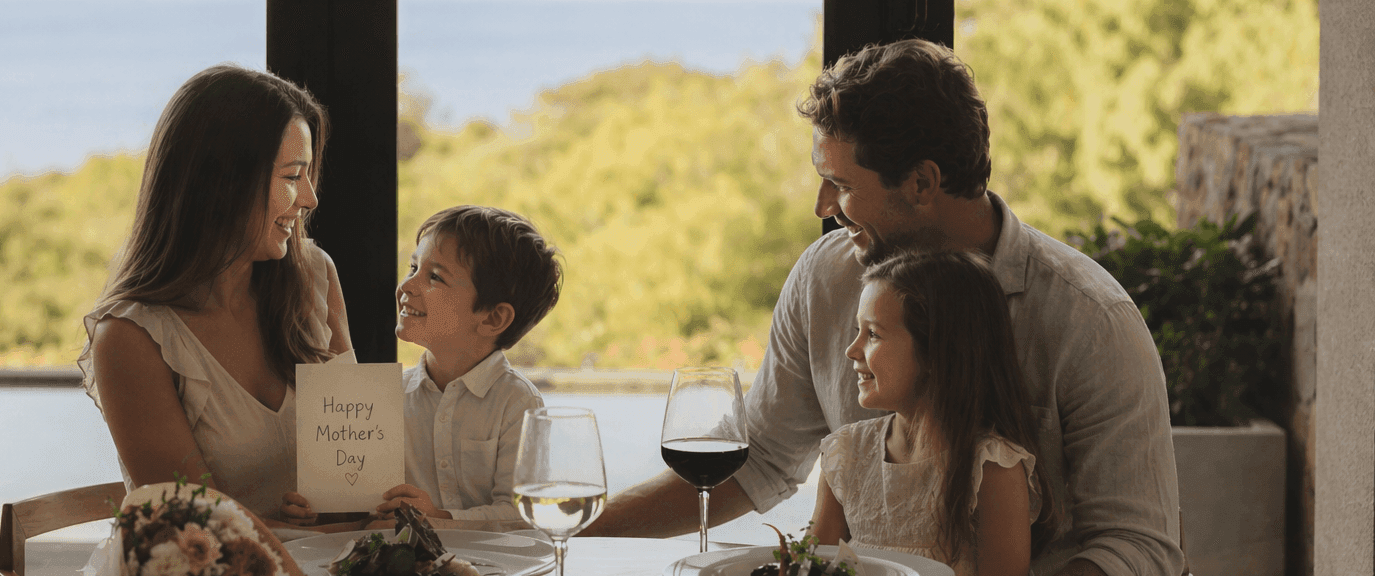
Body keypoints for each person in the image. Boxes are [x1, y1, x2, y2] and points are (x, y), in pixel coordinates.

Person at [585, 40, 1185, 576]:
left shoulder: (1090, 320)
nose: (824, 206)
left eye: (841, 184)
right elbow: (759, 460)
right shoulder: (825, 278)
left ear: (922, 183)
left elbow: (1138, 545)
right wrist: (568, 534)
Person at [77, 64, 353, 527]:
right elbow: (201, 532)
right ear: (222, 183)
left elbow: (356, 470)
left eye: (308, 176)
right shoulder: (131, 338)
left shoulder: (315, 277)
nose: (309, 198)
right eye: (291, 177)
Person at [285, 205, 563, 525]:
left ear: (493, 317)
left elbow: (521, 513)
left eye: (434, 277)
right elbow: (367, 504)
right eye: (413, 267)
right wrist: (318, 508)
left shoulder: (518, 403)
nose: (406, 286)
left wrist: (438, 518)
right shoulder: (387, 398)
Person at [810, 250, 1054, 576]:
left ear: (936, 350)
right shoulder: (845, 453)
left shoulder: (990, 467)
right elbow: (809, 566)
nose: (851, 350)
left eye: (872, 334)